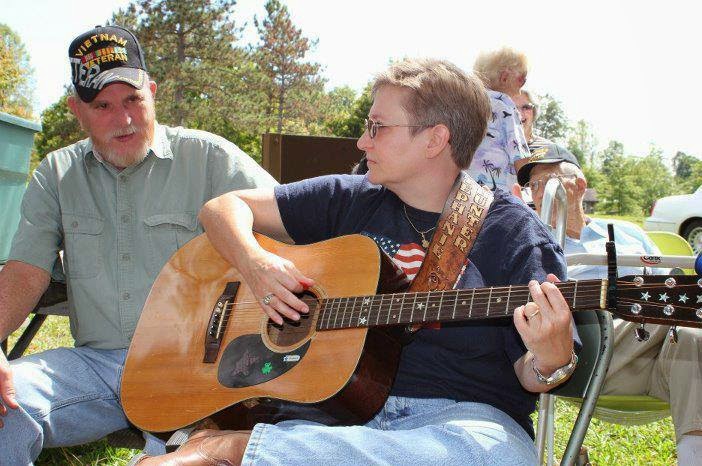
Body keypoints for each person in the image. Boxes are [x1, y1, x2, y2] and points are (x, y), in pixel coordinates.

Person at [136, 58, 578, 466]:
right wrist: (257, 265)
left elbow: (530, 374)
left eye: (378, 127)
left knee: (499, 457)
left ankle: (233, 449)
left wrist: (550, 358)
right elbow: (222, 209)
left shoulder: (511, 230)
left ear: (434, 139)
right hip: (327, 416)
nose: (362, 140)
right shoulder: (349, 198)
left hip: (454, 423)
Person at [0, 25, 276, 465]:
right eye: (102, 106)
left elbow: (298, 223)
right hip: (98, 366)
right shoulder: (56, 173)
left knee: (185, 458)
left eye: (132, 99)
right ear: (77, 110)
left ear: (152, 92)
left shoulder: (210, 159)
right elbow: (25, 271)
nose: (123, 118)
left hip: (197, 368)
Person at [517, 148, 702, 466]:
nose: (541, 191)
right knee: (682, 312)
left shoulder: (627, 232)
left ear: (580, 184)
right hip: (587, 356)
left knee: (692, 336)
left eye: (550, 180)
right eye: (534, 185)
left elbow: (667, 280)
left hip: (656, 362)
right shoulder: (534, 245)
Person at [469, 47, 530, 190]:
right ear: (504, 77)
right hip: (497, 193)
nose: (524, 84)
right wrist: (532, 180)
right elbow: (519, 156)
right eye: (522, 78)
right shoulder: (505, 106)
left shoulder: (467, 105)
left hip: (465, 190)